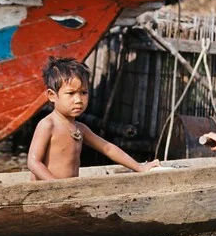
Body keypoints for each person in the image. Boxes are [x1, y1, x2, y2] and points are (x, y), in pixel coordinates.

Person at [28, 57, 160, 180]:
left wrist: (140, 167)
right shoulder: (48, 125)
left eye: (83, 92)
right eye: (70, 93)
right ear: (52, 95)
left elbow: (108, 148)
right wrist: (55, 185)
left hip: (69, 192)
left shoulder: (80, 129)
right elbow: (33, 162)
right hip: (47, 193)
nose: (78, 100)